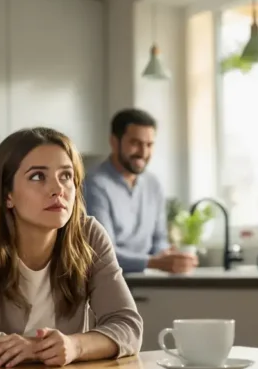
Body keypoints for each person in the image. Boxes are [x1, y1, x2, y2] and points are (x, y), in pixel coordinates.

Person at [0, 127, 143, 368]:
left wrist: (75, 346)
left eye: (65, 176)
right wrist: (38, 349)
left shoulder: (89, 236)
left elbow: (128, 327)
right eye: (37, 177)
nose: (57, 189)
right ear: (7, 195)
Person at [83, 108, 197, 274]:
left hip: (145, 282)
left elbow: (159, 240)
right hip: (105, 285)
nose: (143, 152)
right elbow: (101, 252)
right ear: (114, 142)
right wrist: (154, 262)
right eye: (135, 143)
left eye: (149, 145)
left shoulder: (153, 184)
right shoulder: (94, 184)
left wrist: (170, 255)